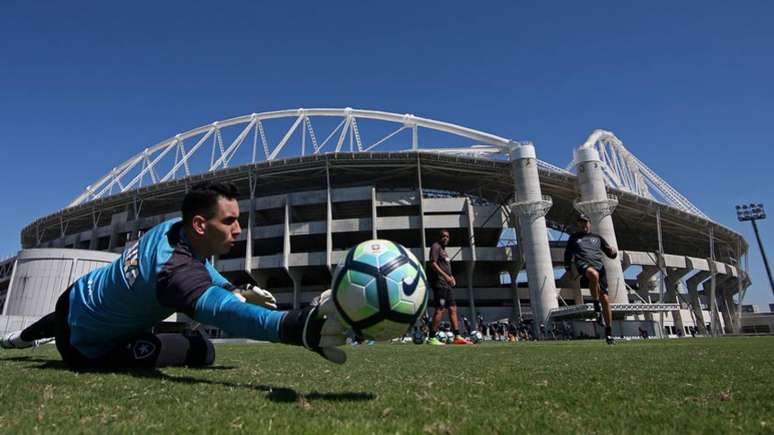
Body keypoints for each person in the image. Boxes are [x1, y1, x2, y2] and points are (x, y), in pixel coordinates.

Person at [0, 181, 347, 368]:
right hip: (84, 350)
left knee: (68, 314)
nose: (239, 230)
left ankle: (17, 339)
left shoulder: (171, 229)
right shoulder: (175, 273)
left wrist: (230, 286)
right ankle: (33, 339)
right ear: (199, 224)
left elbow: (203, 268)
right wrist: (292, 326)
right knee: (202, 351)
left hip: (75, 296)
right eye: (229, 221)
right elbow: (221, 311)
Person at [563, 215, 618, 345]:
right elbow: (567, 255)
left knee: (605, 299)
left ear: (589, 223)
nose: (583, 225)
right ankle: (595, 305)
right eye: (580, 223)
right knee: (593, 275)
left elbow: (611, 254)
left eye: (585, 222)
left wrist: (614, 252)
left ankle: (609, 333)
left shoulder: (597, 238)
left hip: (600, 266)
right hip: (583, 264)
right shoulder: (574, 238)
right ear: (578, 225)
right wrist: (568, 270)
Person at [426, 230, 467, 345]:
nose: (445, 238)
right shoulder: (436, 246)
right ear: (439, 237)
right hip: (440, 284)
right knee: (441, 308)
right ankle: (432, 337)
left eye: (447, 236)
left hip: (447, 285)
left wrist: (451, 276)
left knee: (453, 308)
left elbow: (445, 266)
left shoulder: (445, 251)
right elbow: (433, 264)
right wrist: (445, 276)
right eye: (443, 236)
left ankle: (457, 336)